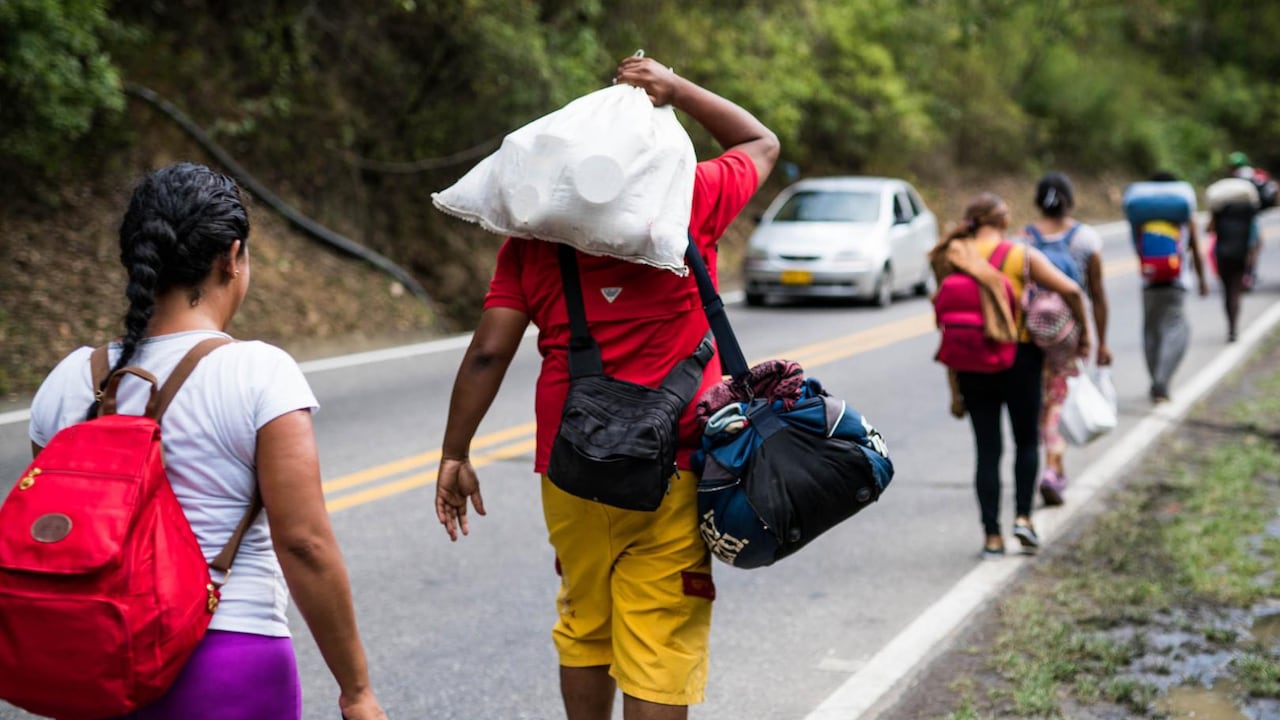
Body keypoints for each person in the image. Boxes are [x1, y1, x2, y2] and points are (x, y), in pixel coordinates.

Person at [434, 55, 778, 720]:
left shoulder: (534, 240)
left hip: (571, 469)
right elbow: (759, 142)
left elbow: (488, 353)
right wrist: (676, 88)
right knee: (658, 635)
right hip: (675, 467)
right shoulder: (689, 203)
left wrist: (455, 452)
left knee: (585, 623)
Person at [27, 163, 386, 720]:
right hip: (224, 656)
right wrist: (357, 691)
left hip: (94, 667)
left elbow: (55, 540)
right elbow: (304, 546)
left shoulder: (70, 377)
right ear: (232, 257)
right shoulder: (259, 373)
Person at [931, 194, 1091, 558]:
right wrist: (1085, 336)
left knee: (987, 450)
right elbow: (1072, 290)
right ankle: (1023, 519)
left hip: (970, 361)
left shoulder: (953, 253)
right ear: (1003, 221)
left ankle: (991, 537)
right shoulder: (1021, 255)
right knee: (1025, 443)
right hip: (1019, 356)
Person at [1022, 173, 1111, 506]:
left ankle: (1044, 465)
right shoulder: (1085, 239)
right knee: (1058, 400)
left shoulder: (1025, 238)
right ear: (1070, 199)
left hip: (1030, 333)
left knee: (1038, 400)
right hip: (1067, 333)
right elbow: (1097, 294)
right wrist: (1098, 340)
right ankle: (1052, 468)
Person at [1132, 171, 1209, 403]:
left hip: (1148, 282)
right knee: (1176, 330)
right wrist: (1202, 279)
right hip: (1177, 282)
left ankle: (1156, 377)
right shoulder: (1182, 213)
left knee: (1151, 332)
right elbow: (1195, 246)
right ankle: (1162, 381)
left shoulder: (1141, 214)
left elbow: (1137, 247)